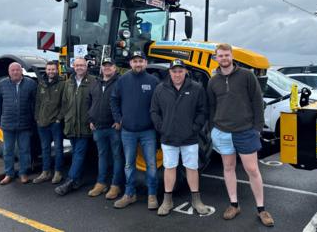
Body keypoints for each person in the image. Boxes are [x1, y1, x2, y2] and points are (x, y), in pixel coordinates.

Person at [207, 43, 274, 226]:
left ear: (232, 56)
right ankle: (234, 204)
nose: (224, 58)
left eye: (226, 55)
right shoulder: (213, 81)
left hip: (245, 131)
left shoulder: (247, 76)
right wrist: (214, 127)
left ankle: (261, 209)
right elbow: (211, 106)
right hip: (222, 132)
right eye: (220, 56)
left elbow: (257, 101)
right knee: (228, 168)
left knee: (252, 170)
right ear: (216, 58)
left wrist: (257, 128)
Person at [150, 59, 210, 216]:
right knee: (169, 168)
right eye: (174, 71)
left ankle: (196, 200)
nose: (177, 74)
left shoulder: (196, 88)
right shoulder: (160, 89)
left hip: (189, 138)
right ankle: (167, 200)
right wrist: (161, 128)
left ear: (185, 72)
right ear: (170, 72)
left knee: (192, 167)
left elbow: (202, 111)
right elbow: (154, 111)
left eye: (180, 71)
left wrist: (195, 128)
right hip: (168, 137)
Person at [111, 51, 160, 210]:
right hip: (128, 132)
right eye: (135, 61)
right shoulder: (122, 80)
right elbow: (114, 100)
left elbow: (160, 104)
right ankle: (129, 194)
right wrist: (118, 119)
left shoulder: (153, 81)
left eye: (141, 61)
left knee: (151, 164)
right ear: (130, 63)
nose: (138, 64)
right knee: (128, 164)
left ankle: (152, 195)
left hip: (148, 132)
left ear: (146, 63)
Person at [54, 57, 96, 196]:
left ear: (86, 66)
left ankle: (70, 181)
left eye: (82, 65)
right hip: (71, 125)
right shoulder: (68, 83)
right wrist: (63, 119)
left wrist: (92, 120)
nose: (79, 67)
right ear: (73, 66)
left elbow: (95, 103)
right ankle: (78, 180)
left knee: (78, 153)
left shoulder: (93, 81)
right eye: (77, 65)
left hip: (85, 125)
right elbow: (65, 103)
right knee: (77, 153)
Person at [87, 57, 124, 200]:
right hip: (98, 126)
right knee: (102, 156)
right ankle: (101, 183)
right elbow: (89, 102)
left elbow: (125, 102)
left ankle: (115, 185)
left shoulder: (120, 83)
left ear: (115, 68)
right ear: (101, 68)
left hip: (113, 127)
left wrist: (119, 120)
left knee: (117, 157)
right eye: (105, 66)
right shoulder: (95, 83)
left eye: (110, 66)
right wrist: (90, 119)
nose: (107, 68)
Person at [0, 62, 37, 185]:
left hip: (25, 124)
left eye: (17, 70)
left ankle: (23, 173)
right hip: (7, 124)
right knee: (8, 150)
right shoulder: (2, 85)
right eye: (12, 70)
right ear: (9, 72)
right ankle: (9, 174)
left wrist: (34, 120)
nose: (15, 72)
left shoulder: (31, 84)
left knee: (24, 150)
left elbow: (35, 104)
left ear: (21, 71)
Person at [33, 61, 65, 184]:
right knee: (45, 148)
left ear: (57, 70)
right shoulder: (42, 84)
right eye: (49, 69)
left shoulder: (62, 84)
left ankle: (58, 172)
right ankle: (45, 172)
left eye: (53, 69)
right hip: (42, 122)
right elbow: (38, 102)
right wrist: (37, 117)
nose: (51, 71)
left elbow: (65, 103)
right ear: (46, 71)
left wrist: (59, 118)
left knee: (58, 148)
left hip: (55, 123)